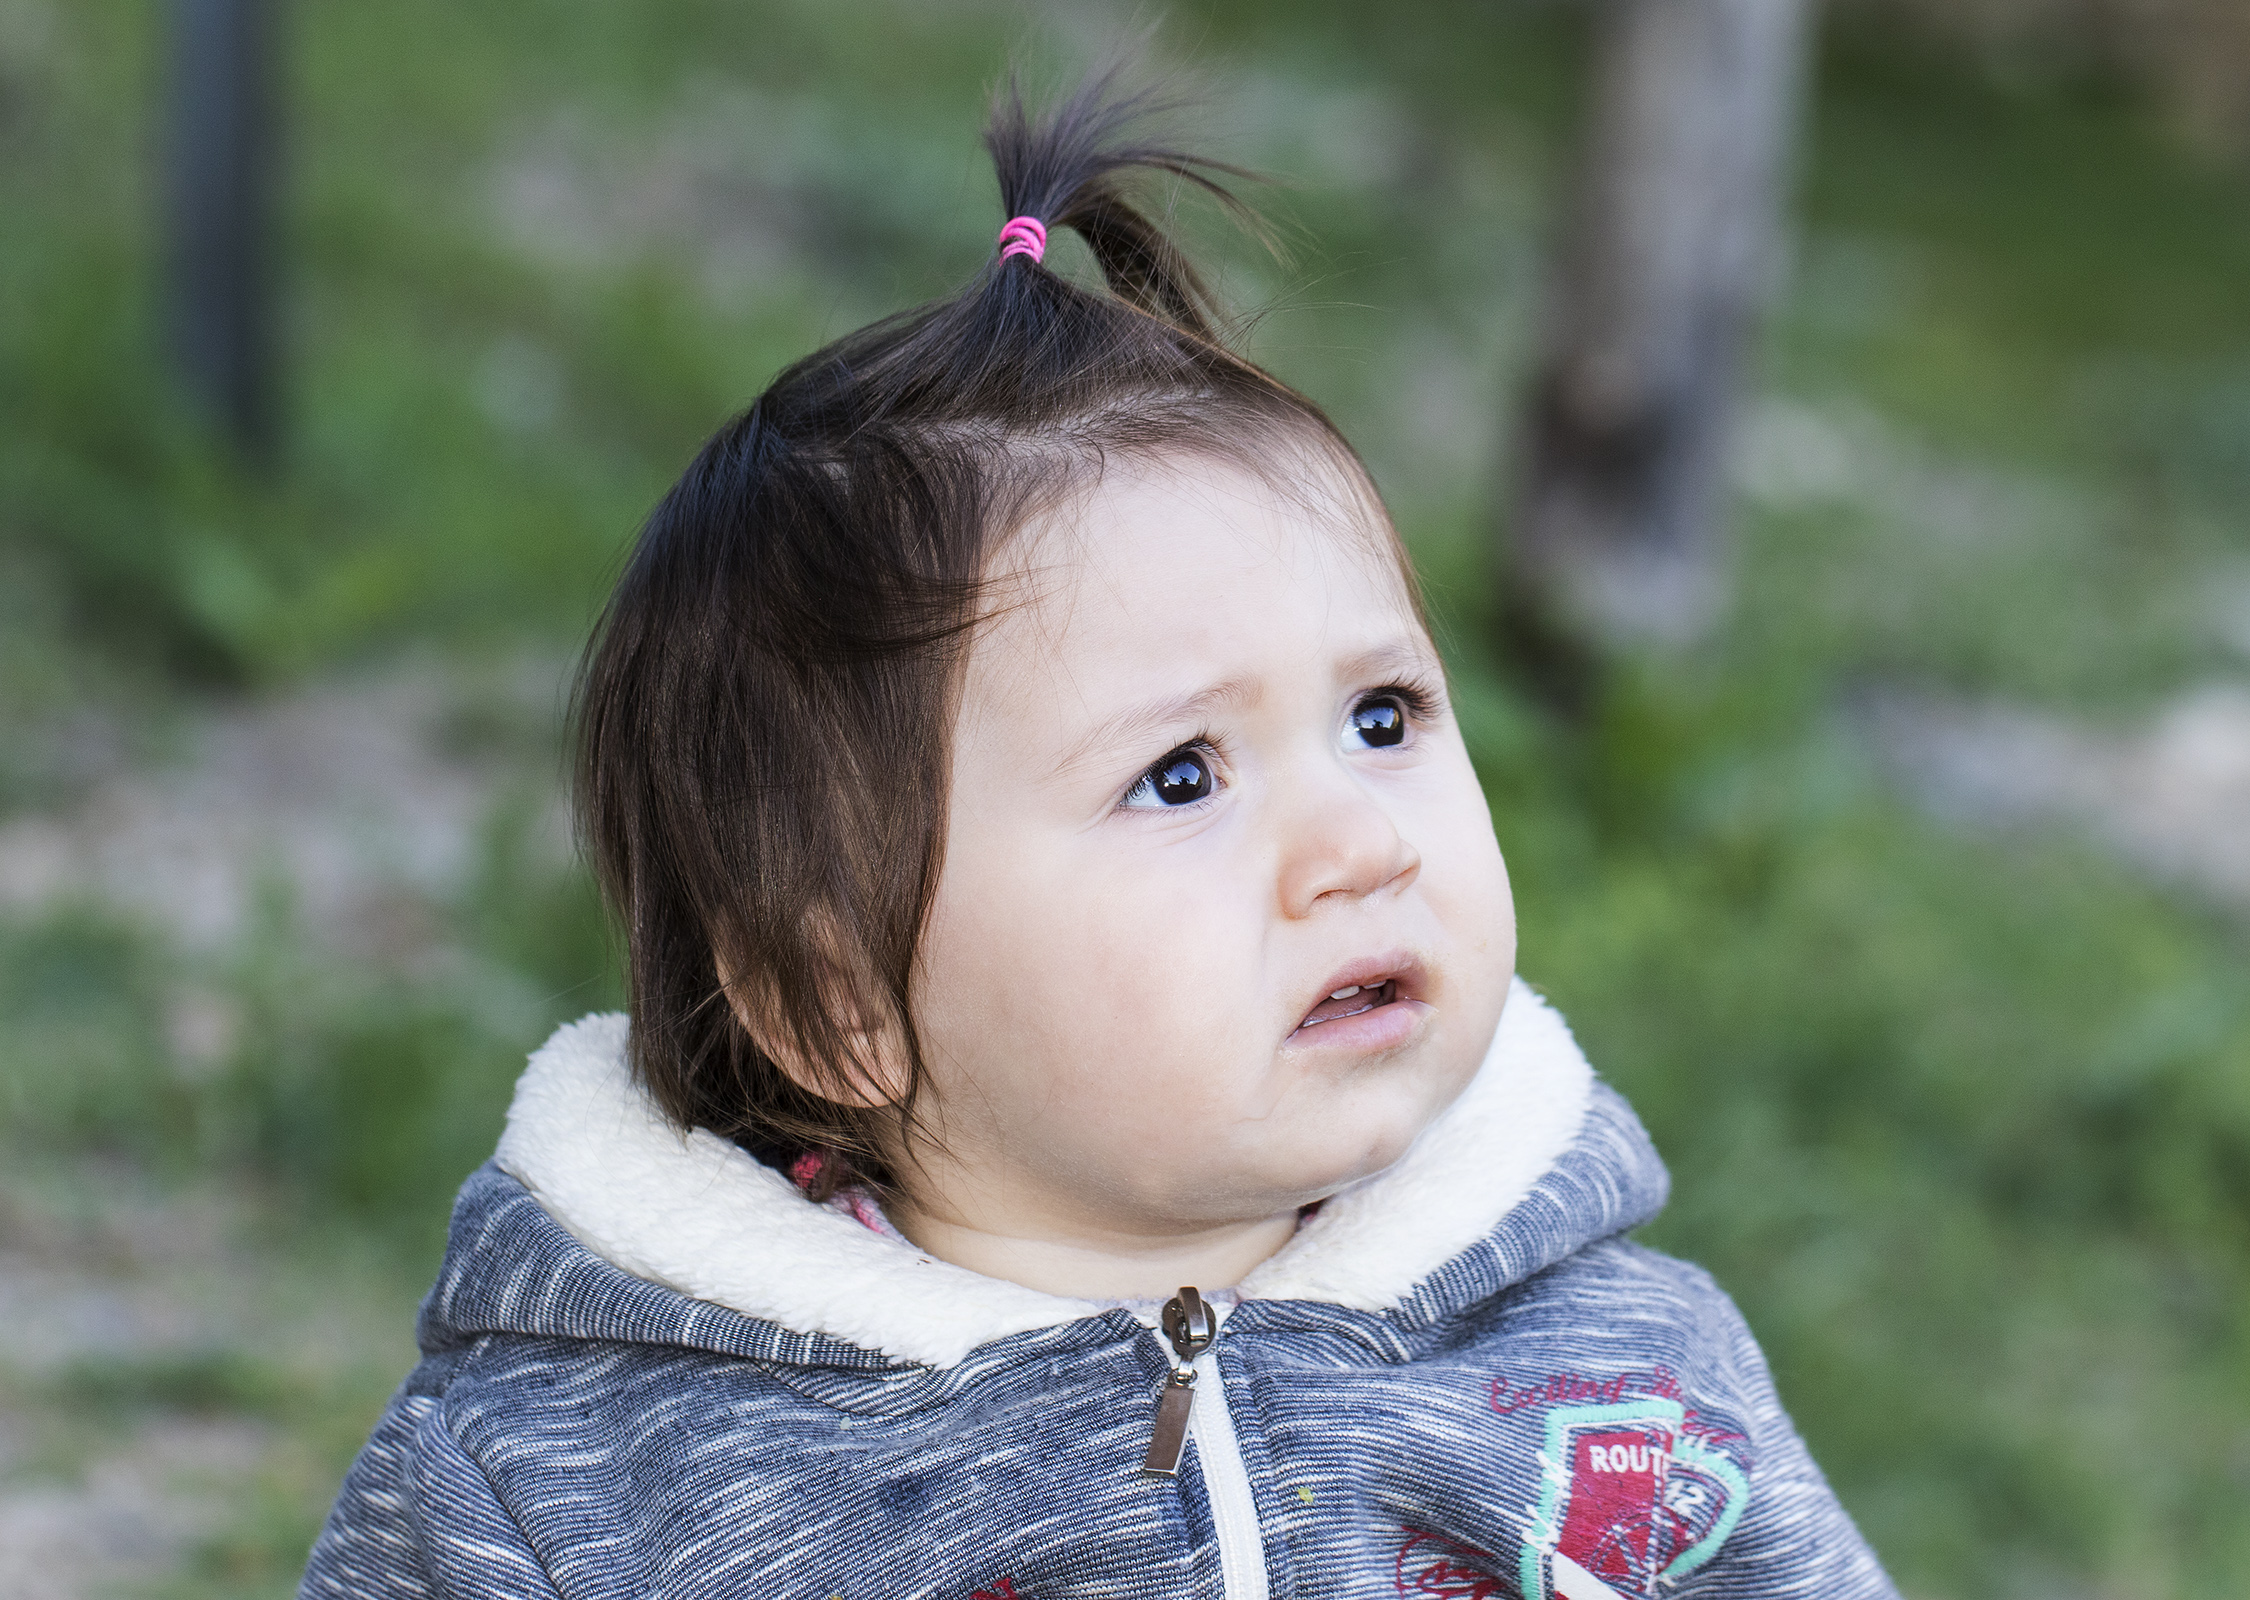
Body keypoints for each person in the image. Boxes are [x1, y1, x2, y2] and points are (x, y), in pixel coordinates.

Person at [301, 67, 1896, 1600]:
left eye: (1383, 718)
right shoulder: (585, 1496)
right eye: (1182, 777)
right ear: (837, 1002)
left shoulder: (1622, 1374)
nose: (1357, 841)